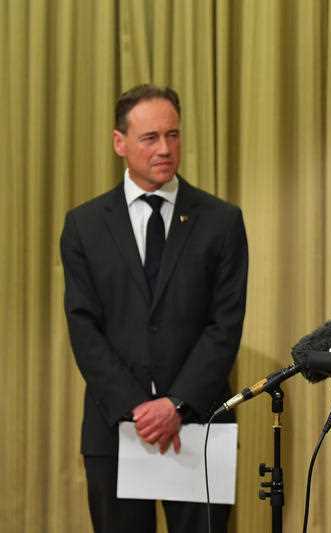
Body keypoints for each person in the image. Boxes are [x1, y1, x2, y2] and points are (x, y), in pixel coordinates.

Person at [61, 84, 248, 533]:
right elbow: (84, 328)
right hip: (115, 428)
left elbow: (225, 325)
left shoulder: (220, 221)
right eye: (150, 138)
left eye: (173, 135)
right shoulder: (84, 225)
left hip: (198, 426)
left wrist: (176, 403)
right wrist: (138, 406)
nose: (165, 149)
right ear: (119, 143)